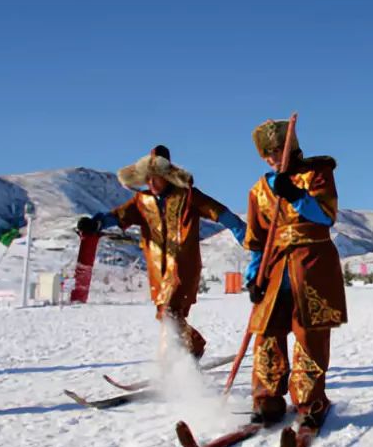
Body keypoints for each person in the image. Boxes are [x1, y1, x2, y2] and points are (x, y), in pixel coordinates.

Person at [78, 145, 247, 359]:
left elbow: (220, 213)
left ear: (167, 175)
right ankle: (181, 358)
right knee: (166, 316)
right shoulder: (142, 201)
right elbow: (118, 215)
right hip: (157, 271)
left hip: (182, 267)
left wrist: (244, 233)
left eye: (155, 177)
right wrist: (96, 223)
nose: (151, 183)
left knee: (169, 312)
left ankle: (187, 352)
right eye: (147, 178)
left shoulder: (188, 197)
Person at [244, 119, 346, 431]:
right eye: (268, 154)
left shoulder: (316, 173)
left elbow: (325, 215)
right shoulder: (259, 190)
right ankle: (267, 400)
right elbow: (257, 239)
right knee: (266, 332)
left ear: (292, 148)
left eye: (278, 151)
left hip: (312, 264)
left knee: (308, 333)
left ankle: (310, 402)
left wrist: (296, 195)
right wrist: (253, 276)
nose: (274, 158)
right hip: (275, 268)